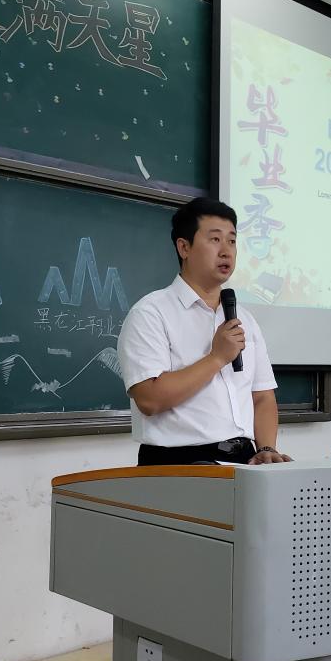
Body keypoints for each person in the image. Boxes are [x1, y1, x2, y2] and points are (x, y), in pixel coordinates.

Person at [117, 197, 293, 466]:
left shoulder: (244, 318)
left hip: (244, 459)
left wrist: (267, 447)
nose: (226, 251)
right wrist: (217, 358)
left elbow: (262, 397)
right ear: (184, 247)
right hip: (178, 462)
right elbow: (149, 399)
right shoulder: (150, 313)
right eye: (215, 240)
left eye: (232, 241)